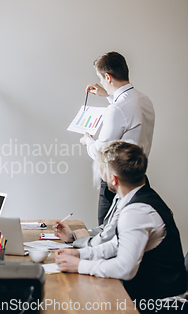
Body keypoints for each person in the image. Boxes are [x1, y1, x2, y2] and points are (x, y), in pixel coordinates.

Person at [56, 141, 186, 310]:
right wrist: (80, 254)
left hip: (160, 302)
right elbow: (116, 244)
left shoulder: (137, 212)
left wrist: (79, 266)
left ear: (114, 179)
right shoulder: (140, 197)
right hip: (151, 293)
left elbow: (125, 269)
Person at [80, 52, 155, 225]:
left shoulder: (117, 109)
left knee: (107, 230)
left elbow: (101, 151)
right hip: (139, 179)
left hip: (116, 182)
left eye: (100, 77)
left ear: (108, 76)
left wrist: (87, 141)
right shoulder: (144, 100)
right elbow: (128, 114)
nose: (100, 81)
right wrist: (107, 94)